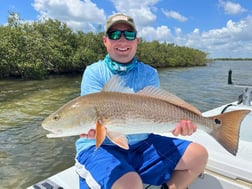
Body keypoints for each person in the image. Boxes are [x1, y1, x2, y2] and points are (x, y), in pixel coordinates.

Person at [75, 13, 208, 189]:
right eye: (115, 35)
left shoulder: (149, 73)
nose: (122, 41)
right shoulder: (94, 72)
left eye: (129, 35)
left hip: (142, 144)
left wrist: (177, 126)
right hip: (100, 147)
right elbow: (94, 117)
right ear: (105, 40)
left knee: (198, 155)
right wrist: (95, 130)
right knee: (130, 183)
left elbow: (156, 109)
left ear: (136, 41)